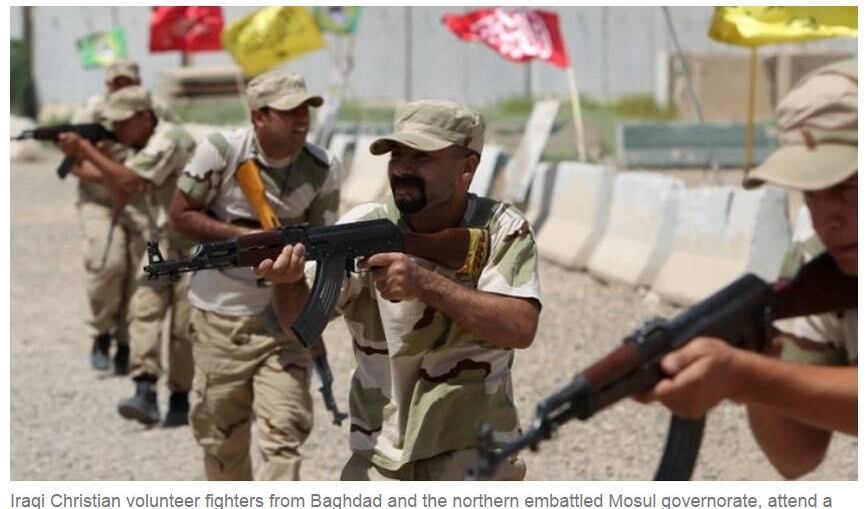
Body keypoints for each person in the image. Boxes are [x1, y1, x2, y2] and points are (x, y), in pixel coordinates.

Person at [257, 99, 542, 481]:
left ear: (467, 168)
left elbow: (521, 327)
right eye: (397, 155)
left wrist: (425, 283)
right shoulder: (362, 225)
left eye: (422, 157)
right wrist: (288, 283)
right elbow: (299, 324)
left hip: (472, 446)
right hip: (380, 450)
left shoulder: (503, 229)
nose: (403, 168)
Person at [638, 59, 857, 479]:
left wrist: (748, 377)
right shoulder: (819, 269)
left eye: (843, 187)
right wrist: (754, 356)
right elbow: (796, 457)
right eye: (810, 192)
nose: (827, 218)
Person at [168, 70, 341, 480]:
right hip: (220, 318)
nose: (301, 119)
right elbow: (180, 215)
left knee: (285, 435)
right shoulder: (222, 151)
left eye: (306, 110)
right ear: (258, 116)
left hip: (282, 322)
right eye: (288, 112)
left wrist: (310, 322)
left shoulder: (322, 167)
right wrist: (249, 239)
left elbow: (324, 249)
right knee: (221, 443)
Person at [58, 86, 197, 427]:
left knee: (183, 325)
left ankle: (180, 397)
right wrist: (86, 157)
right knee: (144, 309)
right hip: (161, 239)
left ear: (144, 117)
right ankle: (145, 389)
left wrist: (86, 150)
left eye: (122, 123)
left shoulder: (170, 138)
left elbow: (129, 179)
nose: (116, 130)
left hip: (193, 243)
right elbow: (121, 186)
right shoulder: (143, 145)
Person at [70, 60, 178, 374]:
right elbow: (75, 163)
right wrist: (111, 177)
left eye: (126, 82)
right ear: (107, 85)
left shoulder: (155, 111)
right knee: (108, 263)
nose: (121, 87)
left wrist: (125, 180)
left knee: (143, 273)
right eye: (115, 83)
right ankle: (102, 332)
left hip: (142, 201)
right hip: (99, 202)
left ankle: (127, 341)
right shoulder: (91, 112)